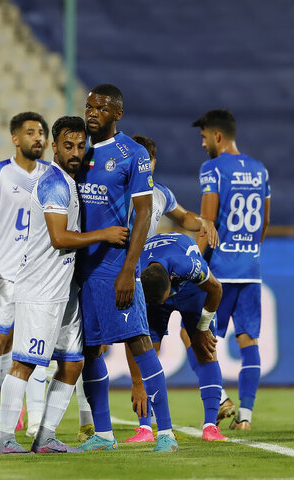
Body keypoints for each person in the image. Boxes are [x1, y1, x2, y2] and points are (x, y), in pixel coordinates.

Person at [0, 116, 129, 454]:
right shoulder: (54, 182)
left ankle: (46, 436)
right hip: (40, 287)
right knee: (25, 362)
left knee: (72, 363)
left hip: (64, 289)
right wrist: (105, 234)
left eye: (81, 146)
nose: (75, 152)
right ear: (55, 146)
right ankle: (5, 438)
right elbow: (58, 238)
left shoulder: (70, 181)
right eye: (68, 146)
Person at [75, 84, 178, 453]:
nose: (92, 113)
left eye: (101, 108)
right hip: (80, 270)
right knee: (89, 351)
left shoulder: (131, 154)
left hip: (115, 267)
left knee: (140, 343)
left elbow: (144, 213)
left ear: (118, 113)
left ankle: (164, 432)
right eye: (89, 106)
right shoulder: (78, 151)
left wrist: (128, 269)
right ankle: (103, 434)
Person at [0, 112, 51, 439]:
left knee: (35, 349)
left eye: (42, 133)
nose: (38, 138)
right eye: (31, 132)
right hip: (4, 274)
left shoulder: (53, 176)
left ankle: (34, 421)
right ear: (16, 139)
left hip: (41, 277)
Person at [193, 109, 270, 430]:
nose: (202, 145)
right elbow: (265, 222)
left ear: (218, 137)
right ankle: (246, 418)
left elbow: (207, 224)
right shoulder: (260, 170)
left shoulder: (213, 169)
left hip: (220, 272)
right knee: (248, 341)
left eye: (204, 138)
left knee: (193, 334)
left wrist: (193, 263)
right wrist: (248, 251)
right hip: (251, 270)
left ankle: (221, 398)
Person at [127, 232, 227, 442]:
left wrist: (202, 329)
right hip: (153, 289)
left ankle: (211, 426)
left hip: (191, 291)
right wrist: (137, 382)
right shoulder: (135, 275)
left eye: (164, 299)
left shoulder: (188, 265)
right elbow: (133, 338)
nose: (164, 304)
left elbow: (216, 289)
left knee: (204, 348)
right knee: (146, 349)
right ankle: (144, 428)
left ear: (171, 280)